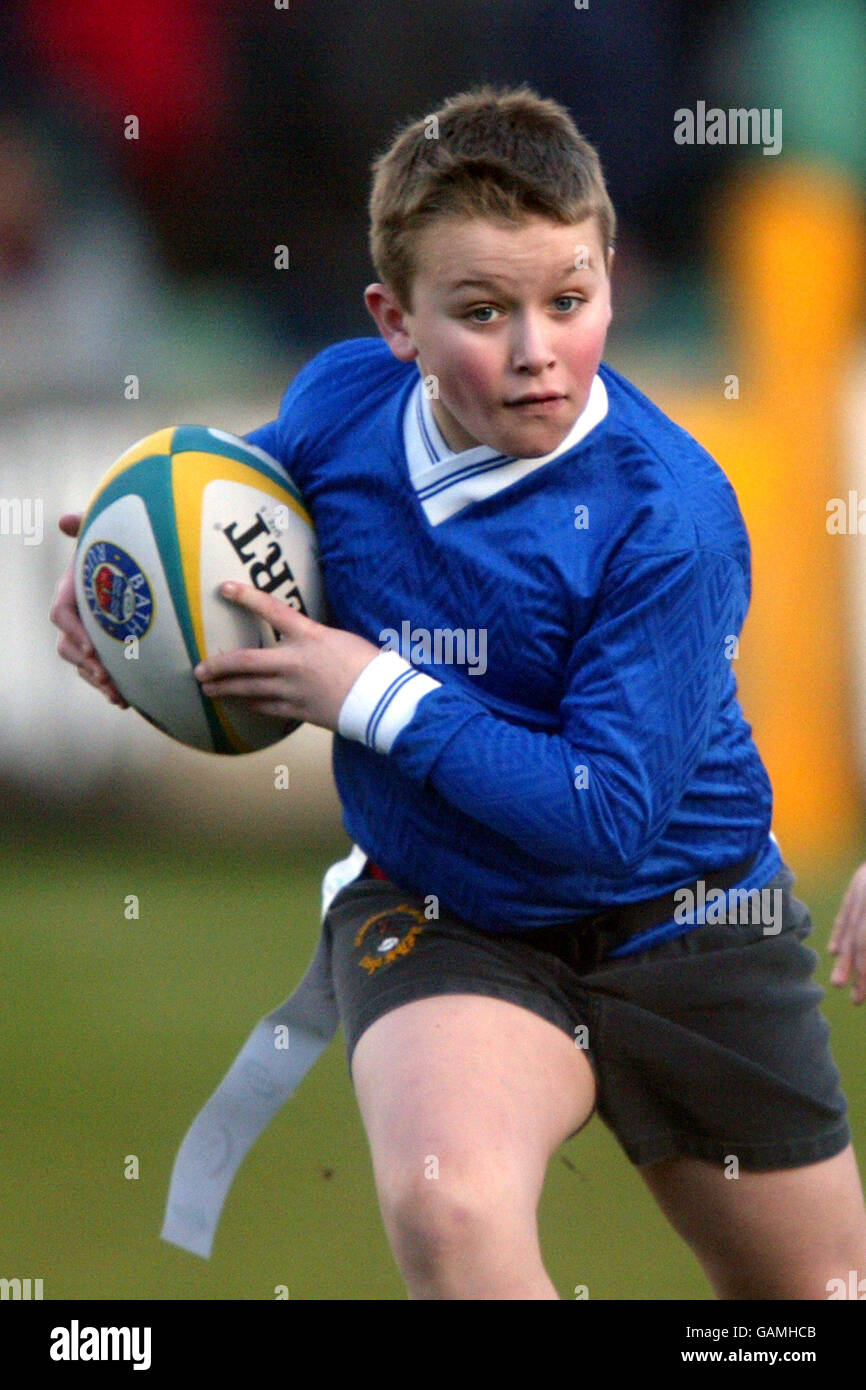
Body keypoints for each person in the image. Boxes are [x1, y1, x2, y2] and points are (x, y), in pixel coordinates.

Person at [51, 85, 866, 1300]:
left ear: (609, 280)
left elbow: (600, 821)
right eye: (483, 311)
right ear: (396, 320)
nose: (536, 351)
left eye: (568, 301)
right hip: (447, 918)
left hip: (686, 922)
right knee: (448, 1200)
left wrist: (370, 688)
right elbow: (229, 516)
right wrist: (121, 596)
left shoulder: (667, 517)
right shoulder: (341, 406)